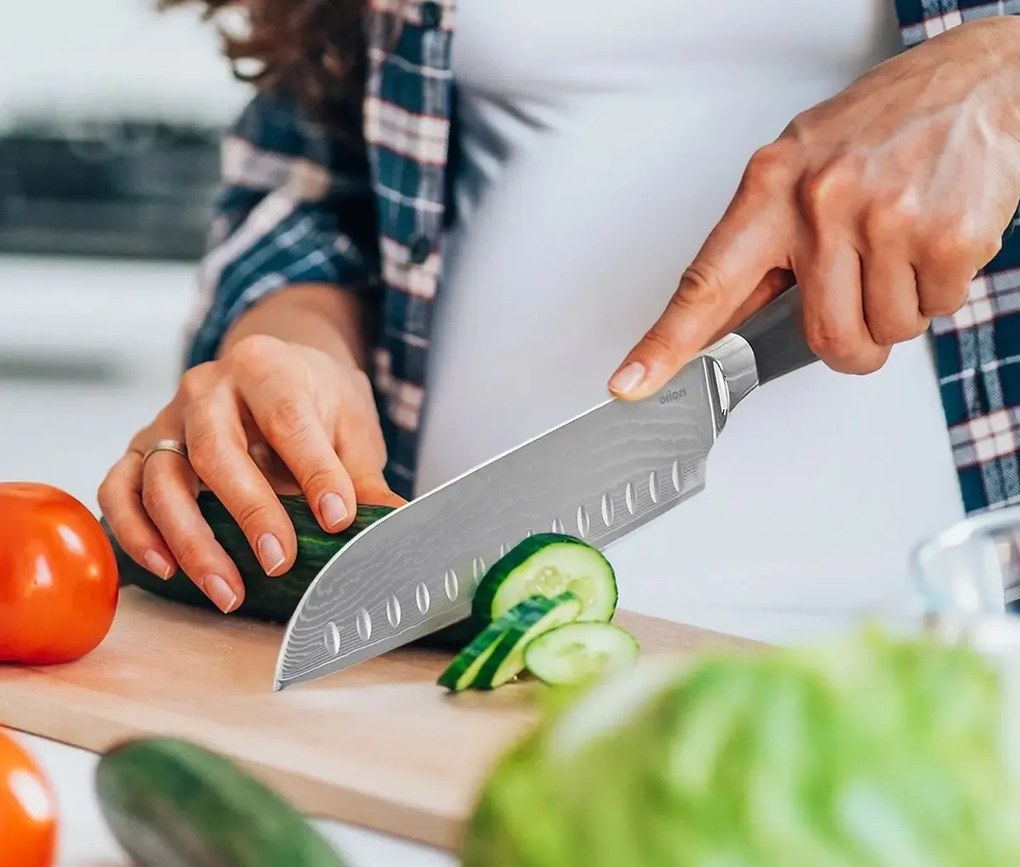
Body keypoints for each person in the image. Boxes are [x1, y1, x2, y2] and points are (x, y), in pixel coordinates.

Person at [98, 1, 1020, 636]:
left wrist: (1003, 78)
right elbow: (320, 145)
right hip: (465, 648)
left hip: (944, 641)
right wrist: (296, 339)